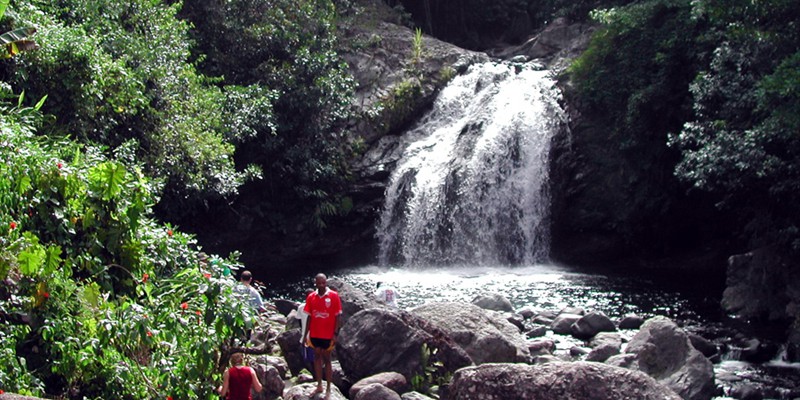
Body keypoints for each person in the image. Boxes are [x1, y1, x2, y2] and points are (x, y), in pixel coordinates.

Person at [303, 273, 342, 400]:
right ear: (315, 283)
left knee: (327, 359)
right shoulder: (311, 297)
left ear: (326, 282)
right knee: (316, 357)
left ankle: (329, 388)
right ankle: (319, 384)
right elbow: (309, 316)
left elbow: (338, 316)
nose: (321, 285)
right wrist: (305, 334)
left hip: (328, 334)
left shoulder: (334, 296)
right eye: (318, 283)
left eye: (323, 283)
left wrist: (335, 334)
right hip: (315, 333)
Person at [295, 288, 315, 373]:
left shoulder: (301, 307)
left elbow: (299, 322)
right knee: (312, 359)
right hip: (310, 337)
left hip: (307, 336)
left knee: (309, 359)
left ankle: (314, 375)